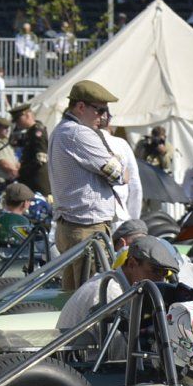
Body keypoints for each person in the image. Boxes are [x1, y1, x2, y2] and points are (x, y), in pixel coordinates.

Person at [48, 81, 127, 290]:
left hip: (74, 227)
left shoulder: (63, 129)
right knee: (92, 299)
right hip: (86, 228)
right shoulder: (79, 133)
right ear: (81, 107)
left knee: (73, 296)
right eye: (99, 110)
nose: (103, 116)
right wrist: (117, 160)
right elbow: (119, 175)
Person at [55, 231, 184, 332]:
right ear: (132, 263)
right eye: (155, 271)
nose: (160, 280)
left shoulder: (115, 283)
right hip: (79, 361)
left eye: (164, 274)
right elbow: (118, 354)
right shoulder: (110, 293)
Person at [11, 106, 50, 194]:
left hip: (37, 182)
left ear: (27, 115)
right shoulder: (29, 133)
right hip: (29, 181)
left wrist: (20, 172)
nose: (17, 123)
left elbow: (40, 159)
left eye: (18, 119)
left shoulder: (37, 132)